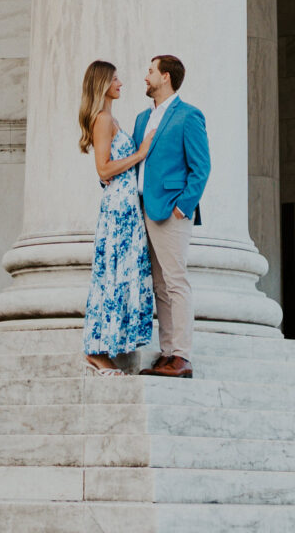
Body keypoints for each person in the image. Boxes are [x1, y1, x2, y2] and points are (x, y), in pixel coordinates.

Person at [130, 54, 210, 379]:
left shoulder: (189, 116)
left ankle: (182, 355)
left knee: (176, 283)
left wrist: (183, 205)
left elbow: (201, 167)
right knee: (160, 286)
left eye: (150, 70)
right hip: (143, 208)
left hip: (172, 210)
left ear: (165, 77)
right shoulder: (140, 119)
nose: (145, 76)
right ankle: (166, 353)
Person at [79, 60, 156, 373]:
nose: (121, 83)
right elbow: (103, 168)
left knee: (122, 273)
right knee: (110, 274)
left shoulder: (111, 118)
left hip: (126, 206)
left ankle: (110, 344)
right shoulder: (102, 118)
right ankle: (96, 351)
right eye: (115, 79)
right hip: (117, 208)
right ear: (103, 84)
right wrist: (140, 154)